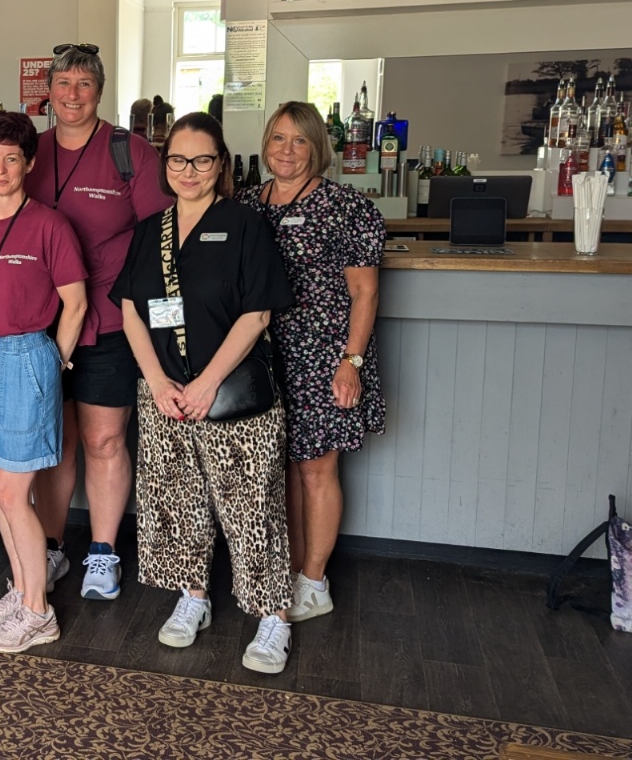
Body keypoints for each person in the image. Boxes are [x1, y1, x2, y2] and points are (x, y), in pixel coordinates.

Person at [111, 112, 297, 674]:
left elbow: (257, 314)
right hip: (165, 396)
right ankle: (193, 596)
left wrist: (206, 383)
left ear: (221, 165)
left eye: (201, 160)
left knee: (253, 508)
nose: (188, 170)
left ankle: (273, 617)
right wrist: (157, 382)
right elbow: (130, 310)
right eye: (177, 159)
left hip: (232, 396)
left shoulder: (244, 225)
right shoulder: (151, 230)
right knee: (176, 502)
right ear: (164, 164)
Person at [25, 43, 170, 601]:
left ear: (100, 92)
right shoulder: (30, 151)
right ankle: (52, 546)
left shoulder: (129, 152)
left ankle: (103, 552)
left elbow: (160, 237)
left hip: (109, 322)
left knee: (104, 439)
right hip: (40, 323)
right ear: (49, 92)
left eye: (84, 84)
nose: (73, 94)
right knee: (55, 441)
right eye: (63, 83)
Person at [239, 101, 386, 623]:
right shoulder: (245, 204)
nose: (287, 150)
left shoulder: (345, 206)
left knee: (316, 469)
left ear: (317, 148)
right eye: (279, 138)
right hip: (259, 355)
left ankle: (314, 581)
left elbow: (365, 292)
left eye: (300, 140)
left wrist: (352, 362)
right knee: (276, 469)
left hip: (323, 355)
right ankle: (288, 571)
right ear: (265, 144)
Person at [0, 112, 87, 653]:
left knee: (13, 492)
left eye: (12, 158)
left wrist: (52, 363)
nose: (1, 168)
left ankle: (39, 611)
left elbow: (76, 304)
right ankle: (22, 588)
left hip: (25, 355)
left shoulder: (49, 225)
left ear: (29, 163)